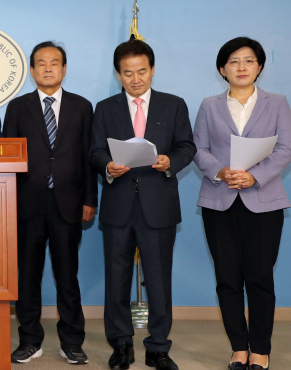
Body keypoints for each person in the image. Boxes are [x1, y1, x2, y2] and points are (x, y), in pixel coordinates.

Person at [89, 39, 196, 370]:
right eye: (127, 73)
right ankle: (121, 343)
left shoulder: (173, 105)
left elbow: (186, 146)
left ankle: (158, 347)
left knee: (159, 280)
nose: (136, 79)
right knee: (116, 278)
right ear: (118, 74)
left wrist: (169, 161)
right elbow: (94, 151)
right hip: (119, 204)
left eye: (142, 71)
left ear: (152, 70)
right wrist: (108, 166)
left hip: (158, 205)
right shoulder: (105, 108)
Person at [193, 37, 291, 370]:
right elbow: (199, 149)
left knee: (260, 277)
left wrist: (255, 176)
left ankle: (260, 350)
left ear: (259, 66)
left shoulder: (277, 102)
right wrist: (219, 170)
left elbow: (285, 149)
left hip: (263, 202)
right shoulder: (209, 105)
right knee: (227, 278)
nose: (241, 67)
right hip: (219, 200)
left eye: (248, 61)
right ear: (223, 69)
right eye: (234, 62)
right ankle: (238, 347)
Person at [3, 41, 97, 365]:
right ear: (31, 70)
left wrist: (89, 199)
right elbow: (8, 160)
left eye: (54, 62)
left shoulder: (82, 107)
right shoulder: (17, 107)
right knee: (27, 277)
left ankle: (71, 342)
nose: (47, 68)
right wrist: (8, 203)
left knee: (67, 277)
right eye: (40, 63)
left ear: (64, 68)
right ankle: (30, 340)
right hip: (27, 205)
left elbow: (88, 157)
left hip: (68, 203)